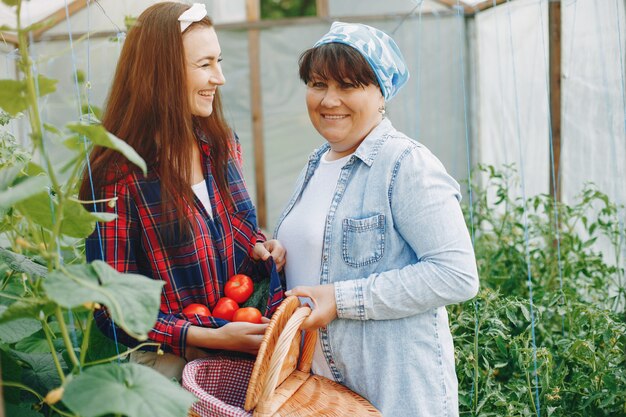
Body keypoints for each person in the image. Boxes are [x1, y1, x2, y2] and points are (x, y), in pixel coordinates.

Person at [275, 22, 479, 416]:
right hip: (325, 392)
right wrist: (279, 250)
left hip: (394, 392)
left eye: (348, 86)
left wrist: (340, 299)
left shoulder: (405, 164)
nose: (329, 100)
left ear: (381, 92)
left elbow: (456, 274)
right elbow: (321, 248)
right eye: (318, 84)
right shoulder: (317, 162)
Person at [79, 2, 285, 381]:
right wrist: (202, 334)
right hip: (168, 368)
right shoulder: (116, 175)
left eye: (218, 61)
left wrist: (259, 247)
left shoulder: (220, 142)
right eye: (204, 65)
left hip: (240, 351)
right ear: (162, 74)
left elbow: (234, 228)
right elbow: (111, 308)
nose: (220, 78)